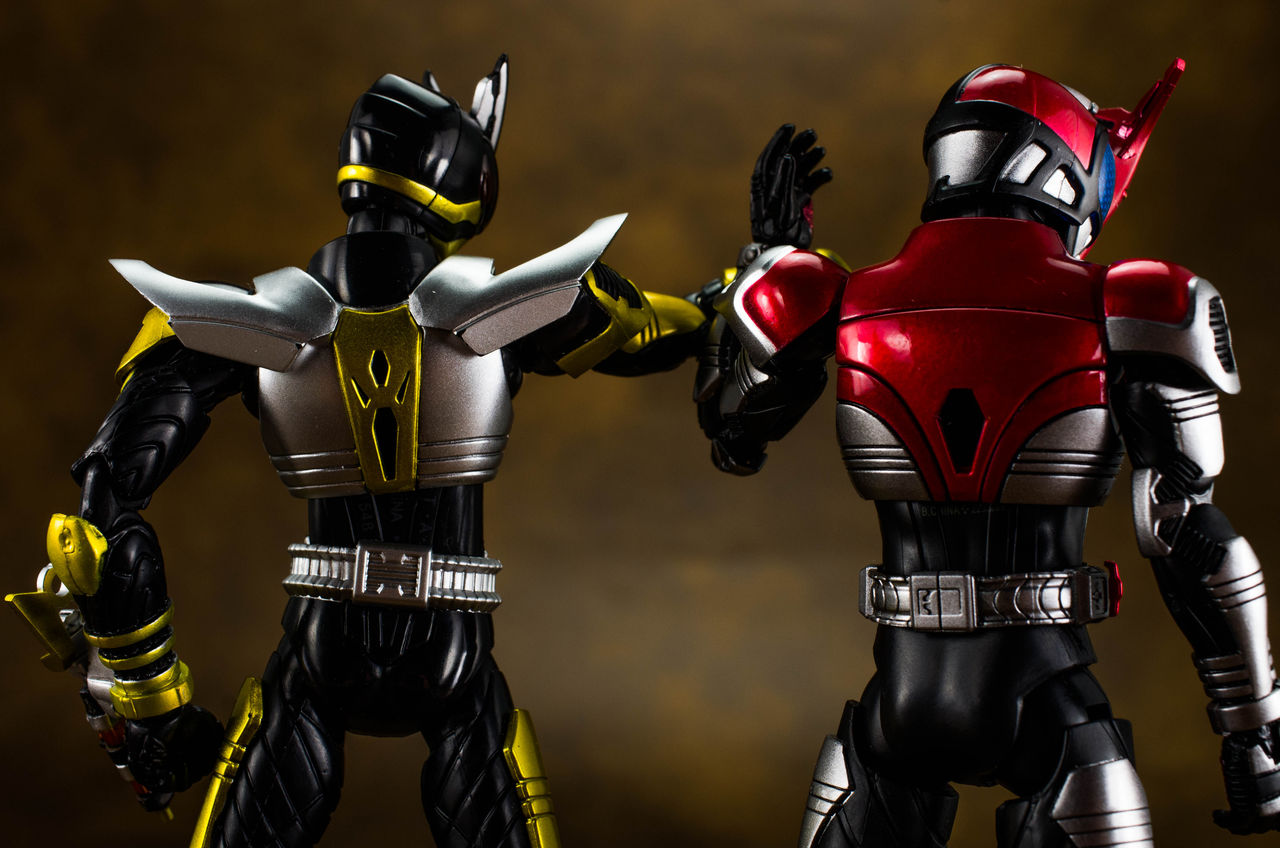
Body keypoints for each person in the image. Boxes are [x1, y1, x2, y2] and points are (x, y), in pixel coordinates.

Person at [9, 56, 707, 848]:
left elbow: (97, 519)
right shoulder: (514, 306)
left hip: (321, 645)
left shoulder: (254, 318)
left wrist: (146, 699)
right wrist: (752, 294)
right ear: (463, 179)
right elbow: (666, 330)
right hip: (451, 648)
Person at [696, 61, 1280, 846]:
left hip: (897, 705)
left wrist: (768, 263)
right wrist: (1255, 729)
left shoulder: (836, 296)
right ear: (1065, 170)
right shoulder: (1132, 303)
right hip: (1048, 704)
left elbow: (732, 436)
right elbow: (1187, 533)